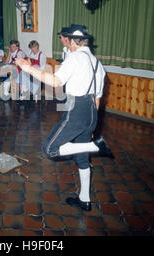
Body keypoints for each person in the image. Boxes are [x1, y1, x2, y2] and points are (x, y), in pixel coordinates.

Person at [16, 24, 114, 212]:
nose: (62, 41)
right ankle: (84, 200)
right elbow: (98, 98)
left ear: (71, 40)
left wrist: (28, 68)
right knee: (82, 158)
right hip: (92, 112)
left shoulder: (76, 58)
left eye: (64, 38)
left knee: (50, 149)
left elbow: (56, 81)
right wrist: (91, 124)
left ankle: (96, 146)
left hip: (77, 110)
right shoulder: (96, 62)